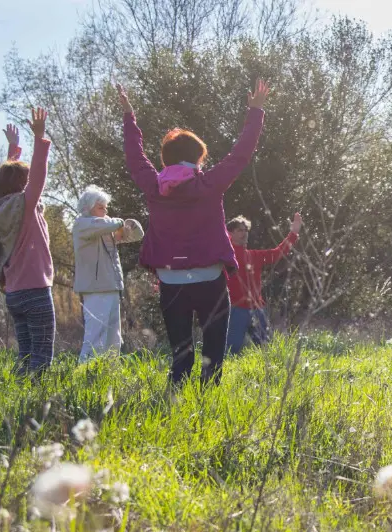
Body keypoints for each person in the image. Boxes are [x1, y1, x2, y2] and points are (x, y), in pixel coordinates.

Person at [117, 78, 270, 387]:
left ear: (166, 159)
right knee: (213, 351)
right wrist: (255, 112)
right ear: (199, 157)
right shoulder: (208, 184)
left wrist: (129, 118)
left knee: (180, 352)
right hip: (210, 279)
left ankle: (175, 400)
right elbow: (240, 155)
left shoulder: (154, 186)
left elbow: (135, 159)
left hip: (171, 281)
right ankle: (206, 401)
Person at [0, 110, 54, 376]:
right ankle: (37, 401)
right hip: (36, 290)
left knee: (26, 352)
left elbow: (9, 178)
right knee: (42, 353)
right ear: (23, 186)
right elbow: (37, 175)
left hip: (13, 294)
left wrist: (13, 149)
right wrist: (39, 138)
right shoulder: (25, 205)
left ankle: (20, 390)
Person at [72, 185, 145, 362]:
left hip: (111, 287)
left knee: (114, 339)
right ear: (87, 208)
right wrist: (119, 223)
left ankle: (109, 374)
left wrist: (130, 224)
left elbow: (137, 235)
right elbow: (103, 225)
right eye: (100, 207)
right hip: (95, 288)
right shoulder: (82, 224)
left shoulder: (106, 228)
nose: (105, 211)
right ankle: (85, 375)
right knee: (95, 336)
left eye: (106, 208)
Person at [224, 213, 301, 354]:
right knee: (230, 352)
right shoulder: (225, 256)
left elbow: (278, 253)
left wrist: (294, 233)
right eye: (239, 230)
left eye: (245, 230)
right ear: (230, 233)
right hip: (236, 311)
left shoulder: (254, 256)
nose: (244, 233)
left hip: (257, 310)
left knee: (266, 351)